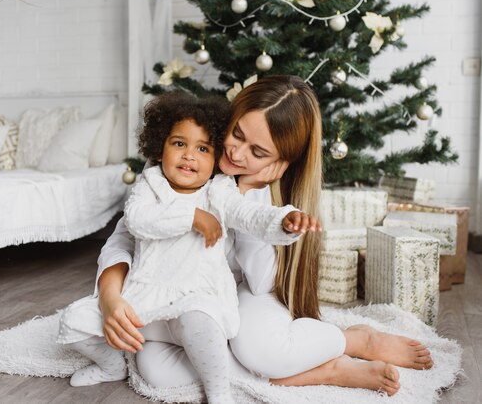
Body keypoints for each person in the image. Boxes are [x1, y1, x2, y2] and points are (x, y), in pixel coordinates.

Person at [94, 76, 433, 397]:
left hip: (240, 290)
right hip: (184, 293)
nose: (237, 154)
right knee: (155, 369)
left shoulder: (265, 192)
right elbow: (129, 231)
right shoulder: (186, 154)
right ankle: (319, 371)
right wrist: (110, 296)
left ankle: (354, 342)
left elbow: (260, 282)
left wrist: (243, 191)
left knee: (258, 349)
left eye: (257, 152)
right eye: (237, 133)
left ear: (282, 162)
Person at [57, 92, 318, 404]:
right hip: (146, 298)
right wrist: (192, 216)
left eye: (203, 148)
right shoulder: (152, 182)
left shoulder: (220, 189)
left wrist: (282, 219)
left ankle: (220, 394)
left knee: (203, 322)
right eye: (179, 144)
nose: (189, 156)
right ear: (161, 147)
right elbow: (136, 222)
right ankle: (112, 365)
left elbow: (249, 217)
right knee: (74, 321)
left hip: (197, 298)